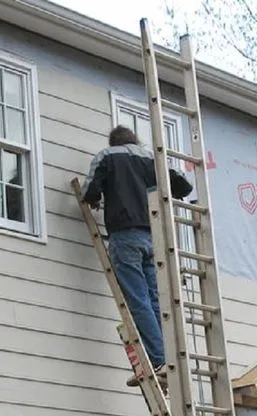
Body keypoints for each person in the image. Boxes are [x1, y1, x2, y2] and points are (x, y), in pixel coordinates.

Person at [82, 125, 194, 387]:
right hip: (153, 238)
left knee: (138, 301)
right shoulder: (151, 159)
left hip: (125, 236)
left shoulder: (107, 156)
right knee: (154, 300)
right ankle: (164, 358)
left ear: (114, 141)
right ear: (135, 140)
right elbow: (184, 186)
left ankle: (158, 359)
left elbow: (89, 190)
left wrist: (96, 198)